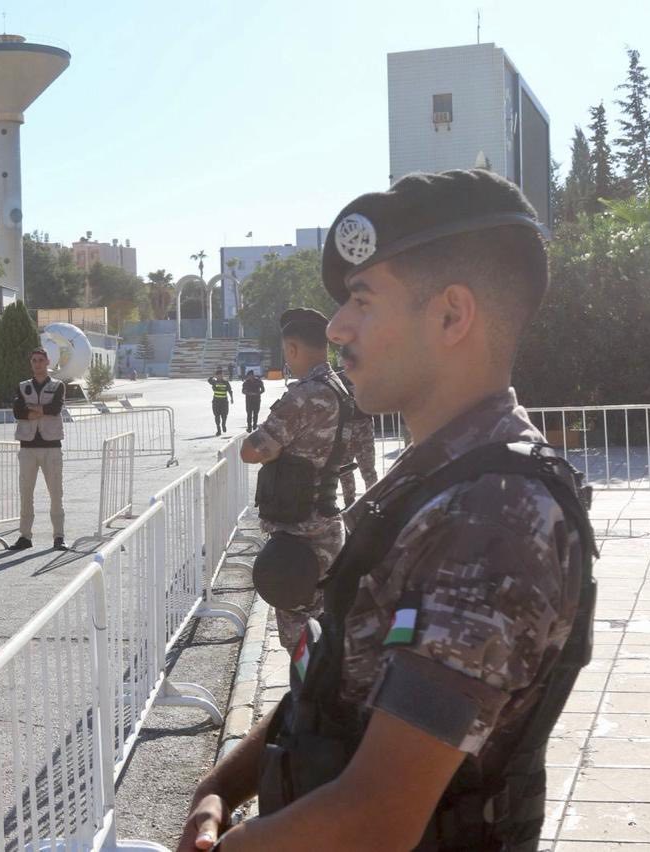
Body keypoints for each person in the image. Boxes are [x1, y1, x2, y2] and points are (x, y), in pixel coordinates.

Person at [178, 169, 596, 852]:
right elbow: (341, 677)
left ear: (452, 316)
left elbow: (379, 815)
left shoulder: (492, 517)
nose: (337, 327)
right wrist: (221, 785)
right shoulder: (437, 478)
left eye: (363, 301)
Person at [240, 308, 352, 653]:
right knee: (328, 632)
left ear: (292, 348)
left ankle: (310, 687)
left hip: (299, 537)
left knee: (301, 643)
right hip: (326, 525)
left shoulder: (305, 395)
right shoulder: (339, 388)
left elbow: (251, 451)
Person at [10, 347, 67, 551]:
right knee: (26, 493)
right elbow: (17, 411)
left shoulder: (58, 385)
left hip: (51, 447)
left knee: (56, 493)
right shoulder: (23, 386)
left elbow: (55, 408)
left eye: (41, 360)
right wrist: (38, 411)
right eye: (34, 360)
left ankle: (59, 536)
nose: (37, 364)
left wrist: (31, 409)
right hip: (28, 447)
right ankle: (25, 536)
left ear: (48, 362)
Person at [337, 373, 380, 508]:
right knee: (345, 469)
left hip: (363, 427)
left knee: (368, 469)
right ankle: (349, 503)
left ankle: (373, 503)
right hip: (345, 428)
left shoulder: (365, 376)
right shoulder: (337, 379)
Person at [207, 366, 233, 436]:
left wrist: (231, 398)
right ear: (216, 376)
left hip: (224, 402)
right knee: (217, 416)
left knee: (224, 415)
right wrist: (214, 376)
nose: (220, 376)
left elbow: (230, 390)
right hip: (216, 402)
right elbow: (209, 380)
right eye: (219, 375)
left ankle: (223, 424)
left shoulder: (226, 382)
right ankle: (218, 429)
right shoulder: (214, 382)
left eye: (221, 375)